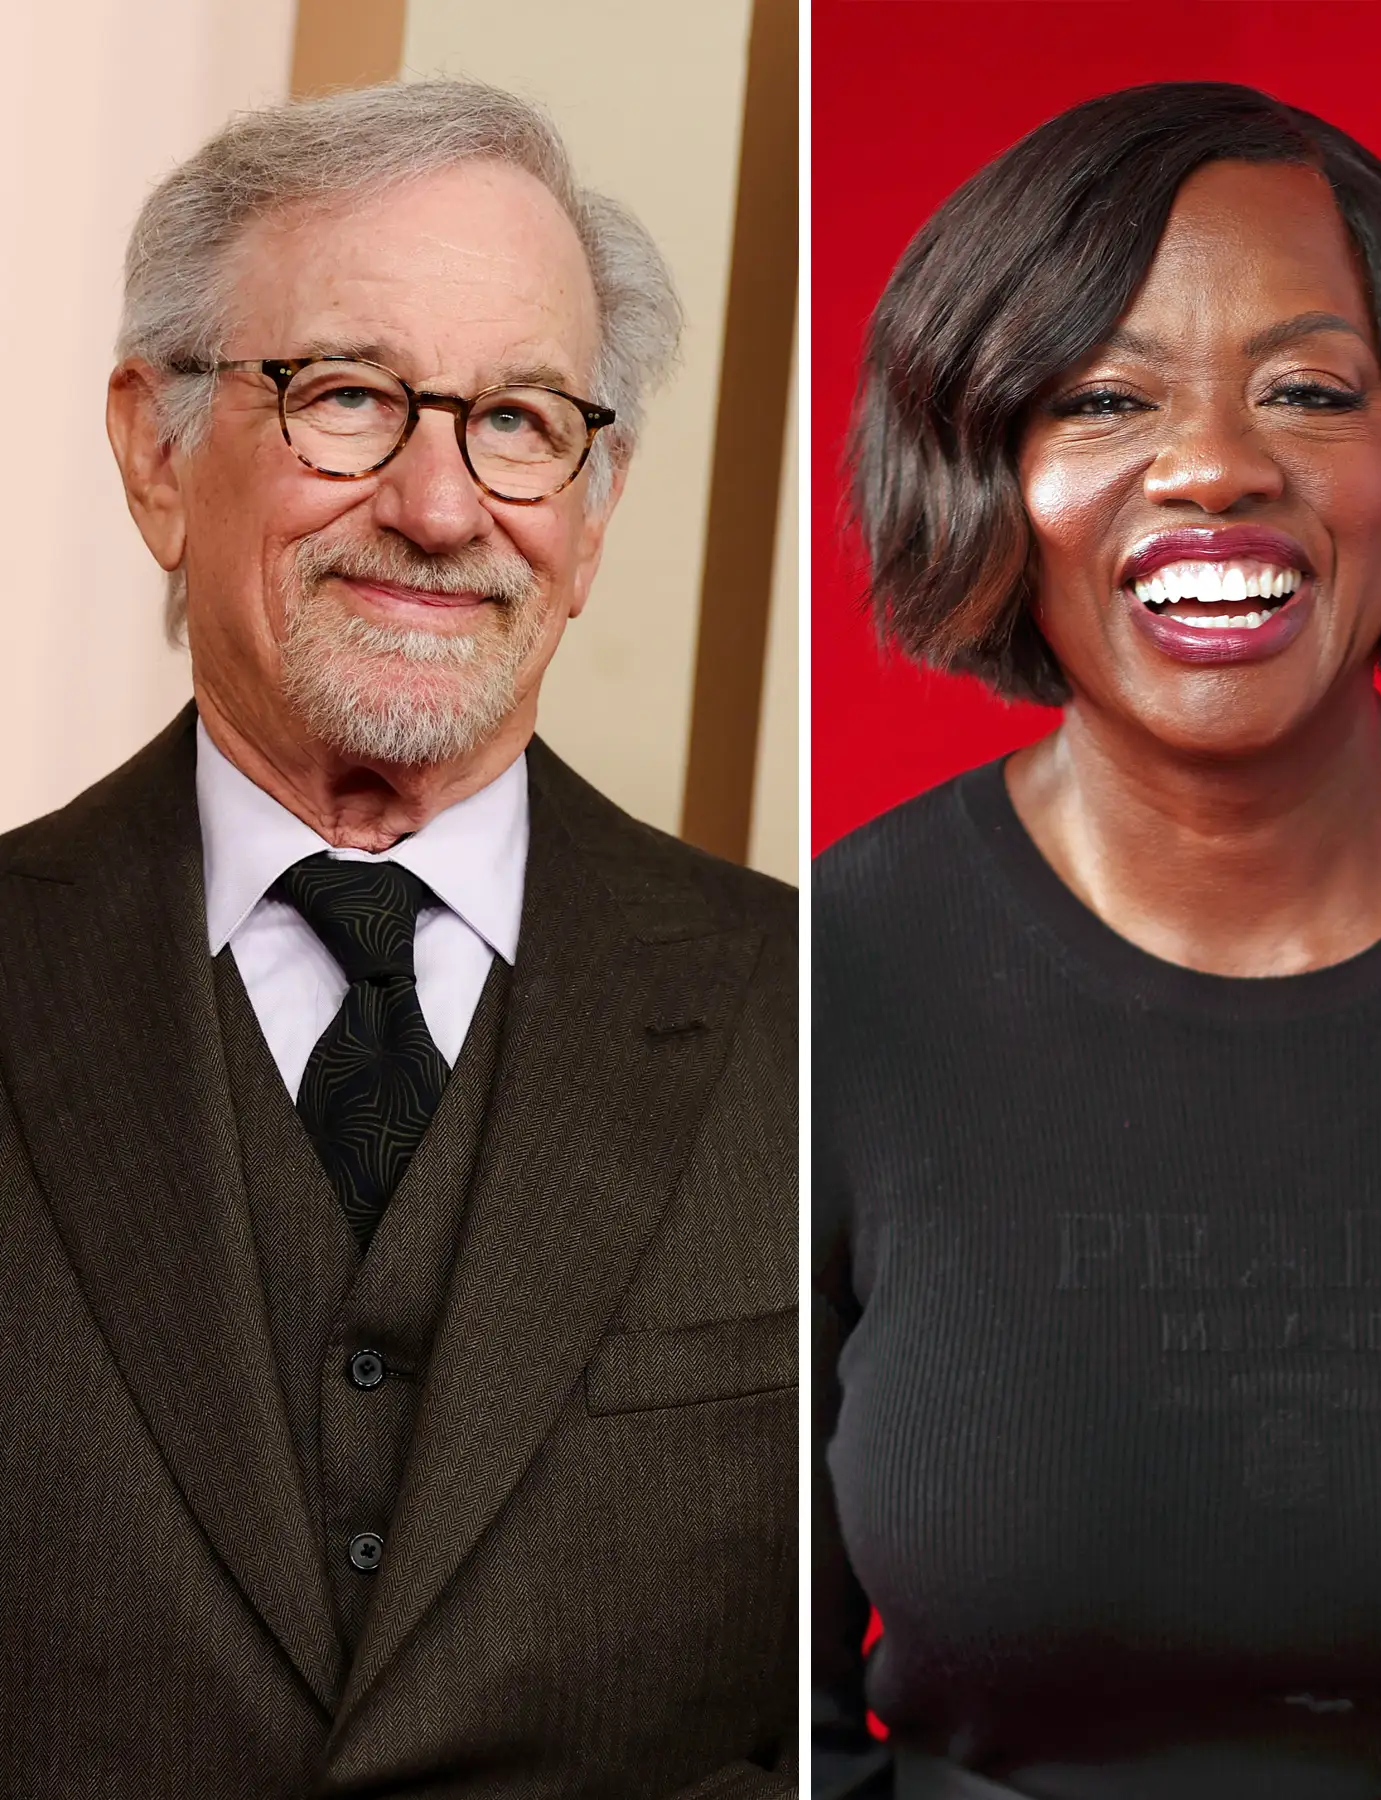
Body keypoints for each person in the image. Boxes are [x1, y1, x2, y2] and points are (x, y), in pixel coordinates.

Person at [0, 81, 794, 1796]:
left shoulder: (824, 1019)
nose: (443, 508)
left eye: (520, 421)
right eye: (349, 398)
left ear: (593, 510)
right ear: (155, 448)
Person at [815, 83, 1381, 1800]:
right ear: (986, 471)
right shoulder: (824, 986)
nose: (1220, 466)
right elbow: (744, 1726)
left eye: (1310, 391)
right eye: (1103, 397)